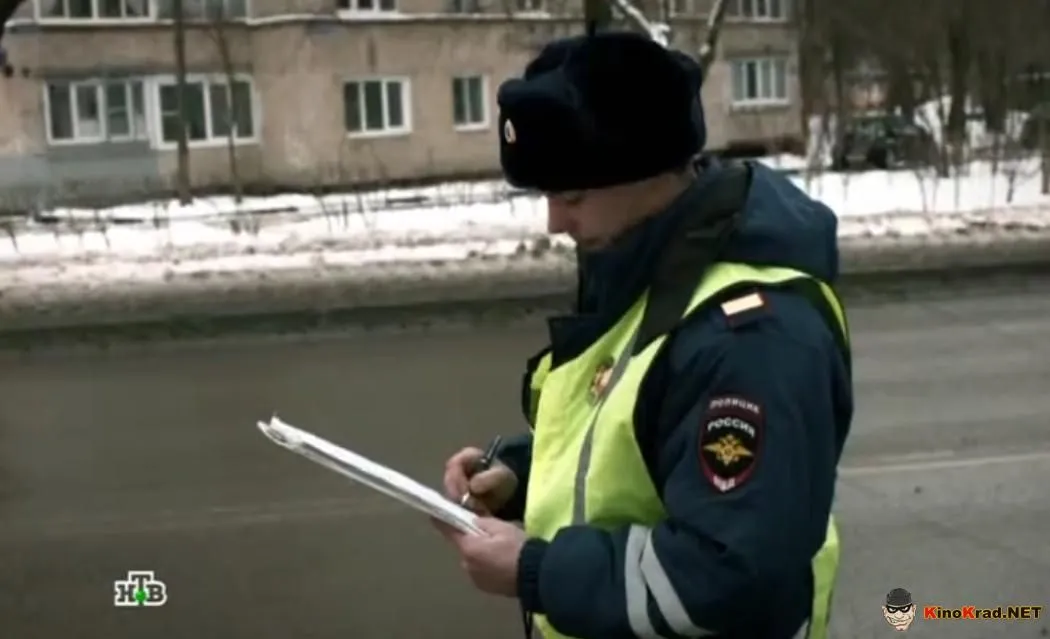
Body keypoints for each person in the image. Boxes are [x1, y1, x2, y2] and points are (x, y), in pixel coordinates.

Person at [433, 30, 854, 639]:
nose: (554, 221)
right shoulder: (648, 269)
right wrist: (523, 474)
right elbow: (638, 436)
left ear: (646, 171)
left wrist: (537, 571)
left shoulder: (749, 337)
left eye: (572, 195)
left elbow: (729, 572)